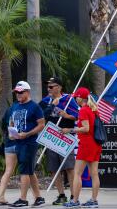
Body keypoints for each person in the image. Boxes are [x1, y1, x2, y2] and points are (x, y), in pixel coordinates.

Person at [38, 77, 79, 205]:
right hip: (52, 138)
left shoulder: (68, 99)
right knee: (54, 168)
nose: (49, 88)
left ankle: (73, 196)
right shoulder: (46, 101)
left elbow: (77, 115)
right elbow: (41, 116)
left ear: (59, 87)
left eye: (51, 86)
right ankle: (61, 195)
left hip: (65, 137)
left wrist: (66, 115)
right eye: (48, 86)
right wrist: (51, 105)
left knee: (69, 168)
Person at [62, 87, 102, 208]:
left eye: (76, 97)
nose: (75, 99)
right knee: (94, 173)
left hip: (86, 144)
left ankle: (74, 201)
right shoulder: (94, 109)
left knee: (77, 173)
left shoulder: (84, 110)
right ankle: (94, 201)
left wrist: (70, 130)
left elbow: (86, 128)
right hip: (96, 144)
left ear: (81, 98)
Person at [8, 81, 46, 208]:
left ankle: (23, 200)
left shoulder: (34, 107)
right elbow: (12, 122)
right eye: (16, 92)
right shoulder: (15, 106)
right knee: (29, 171)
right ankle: (39, 198)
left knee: (24, 170)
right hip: (18, 142)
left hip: (29, 143)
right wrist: (11, 133)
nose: (18, 94)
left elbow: (41, 124)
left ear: (27, 92)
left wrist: (28, 133)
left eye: (21, 92)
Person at [0, 107, 17, 206]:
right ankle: (36, 196)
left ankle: (1, 196)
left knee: (8, 171)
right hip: (20, 143)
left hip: (9, 143)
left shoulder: (9, 109)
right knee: (28, 171)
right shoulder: (26, 108)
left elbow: (3, 125)